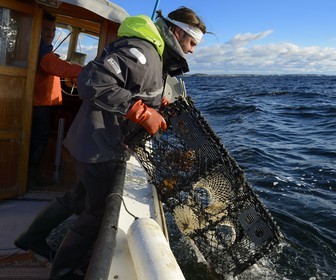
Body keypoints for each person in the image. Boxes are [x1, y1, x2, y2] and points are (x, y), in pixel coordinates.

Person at [15, 6, 207, 279]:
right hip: (99, 146)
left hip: (90, 142)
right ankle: (63, 271)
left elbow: (132, 88)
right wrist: (140, 112)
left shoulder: (155, 56)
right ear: (177, 32)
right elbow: (92, 81)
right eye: (191, 42)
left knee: (76, 198)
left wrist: (156, 104)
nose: (192, 50)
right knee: (97, 213)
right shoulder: (142, 52)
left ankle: (30, 237)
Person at [28, 12, 83, 187]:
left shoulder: (45, 50)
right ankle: (30, 179)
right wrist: (85, 72)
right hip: (38, 106)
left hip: (42, 104)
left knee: (40, 140)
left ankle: (32, 177)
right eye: (45, 29)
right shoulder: (40, 51)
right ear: (36, 30)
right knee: (38, 142)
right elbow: (56, 67)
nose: (50, 34)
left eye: (52, 30)